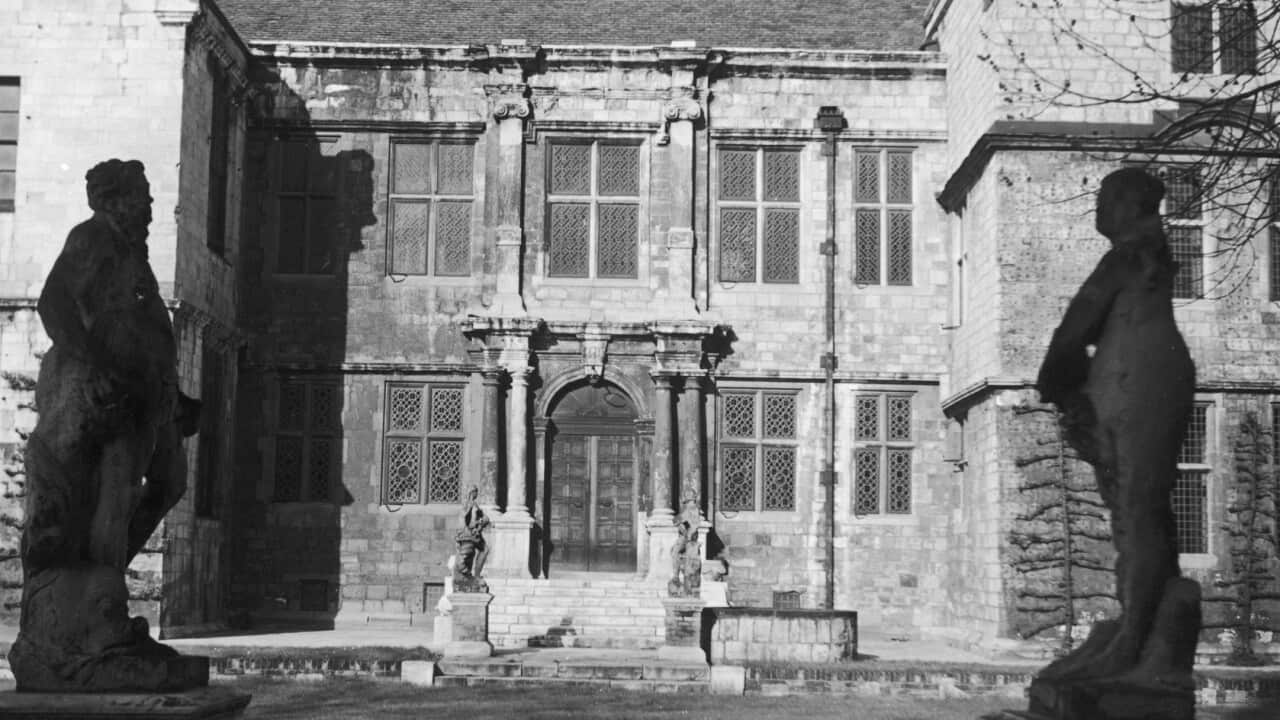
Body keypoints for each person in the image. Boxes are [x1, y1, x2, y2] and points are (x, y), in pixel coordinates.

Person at [1035, 167, 1197, 681]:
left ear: (1130, 205)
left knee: (1137, 507)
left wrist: (1056, 382)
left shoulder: (1128, 258)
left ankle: (1136, 639)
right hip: (1132, 382)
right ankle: (1141, 626)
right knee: (1137, 509)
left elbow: (1076, 325)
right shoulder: (1144, 255)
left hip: (1140, 385)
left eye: (1106, 199)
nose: (1098, 209)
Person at [455, 486, 489, 578]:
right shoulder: (468, 504)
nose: (477, 494)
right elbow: (466, 518)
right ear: (472, 493)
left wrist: (482, 521)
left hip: (473, 533)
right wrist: (477, 524)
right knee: (465, 556)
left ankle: (476, 575)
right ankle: (466, 572)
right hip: (468, 534)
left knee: (484, 550)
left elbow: (483, 517)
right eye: (475, 492)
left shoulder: (474, 504)